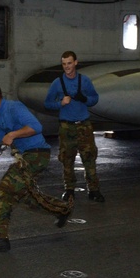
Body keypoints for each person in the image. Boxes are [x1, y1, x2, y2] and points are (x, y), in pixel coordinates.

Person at [0, 82, 74, 253]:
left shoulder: (14, 108)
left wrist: (13, 134)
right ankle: (62, 208)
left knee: (5, 188)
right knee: (24, 197)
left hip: (38, 154)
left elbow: (36, 127)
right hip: (27, 157)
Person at [44, 51, 103, 202]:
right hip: (66, 127)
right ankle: (69, 189)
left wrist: (85, 98)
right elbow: (47, 103)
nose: (67, 67)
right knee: (67, 160)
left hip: (84, 125)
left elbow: (95, 98)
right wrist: (60, 103)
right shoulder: (57, 83)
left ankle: (94, 190)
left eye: (69, 63)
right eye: (64, 64)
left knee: (89, 158)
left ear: (75, 63)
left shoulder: (85, 81)